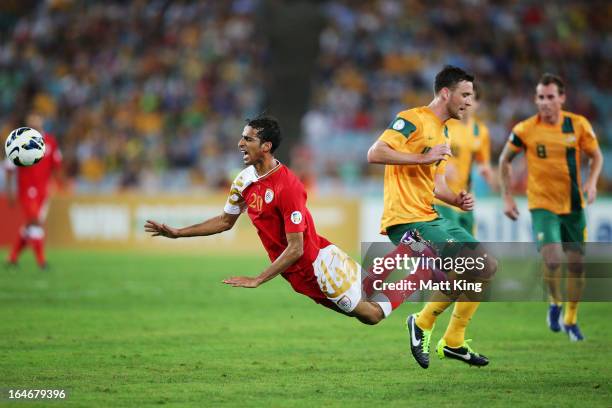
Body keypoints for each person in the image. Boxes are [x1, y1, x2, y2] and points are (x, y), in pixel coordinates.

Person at [144, 116, 434, 327]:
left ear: (266, 146)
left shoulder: (288, 187)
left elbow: (295, 248)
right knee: (369, 288)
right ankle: (410, 247)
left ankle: (423, 273)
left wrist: (259, 278)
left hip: (317, 268)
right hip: (302, 269)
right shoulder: (244, 180)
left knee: (370, 315)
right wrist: (178, 233)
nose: (240, 143)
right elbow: (224, 221)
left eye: (248, 139)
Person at [367, 65, 497, 368]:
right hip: (407, 220)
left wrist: (456, 198)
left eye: (472, 96)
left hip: (430, 215)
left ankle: (451, 340)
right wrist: (421, 156)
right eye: (465, 95)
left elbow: (436, 185)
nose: (468, 101)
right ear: (445, 93)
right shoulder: (412, 119)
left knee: (486, 267)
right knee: (470, 266)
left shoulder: (444, 131)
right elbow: (375, 153)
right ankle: (423, 323)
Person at [499, 73, 603, 341]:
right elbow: (504, 160)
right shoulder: (525, 129)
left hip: (574, 205)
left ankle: (571, 317)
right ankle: (555, 302)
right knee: (554, 258)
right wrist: (507, 197)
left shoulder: (578, 125)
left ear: (562, 98)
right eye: (540, 97)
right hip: (542, 204)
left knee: (578, 265)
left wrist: (591, 183)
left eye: (550, 97)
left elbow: (596, 156)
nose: (544, 102)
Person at [5, 113, 62, 269]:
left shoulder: (50, 141)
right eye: (31, 121)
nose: (34, 123)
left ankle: (13, 257)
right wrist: (9, 191)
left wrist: (57, 184)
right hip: (26, 190)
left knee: (31, 225)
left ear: (42, 122)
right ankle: (41, 261)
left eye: (37, 119)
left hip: (43, 191)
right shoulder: (18, 140)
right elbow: (9, 168)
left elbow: (56, 165)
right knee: (35, 222)